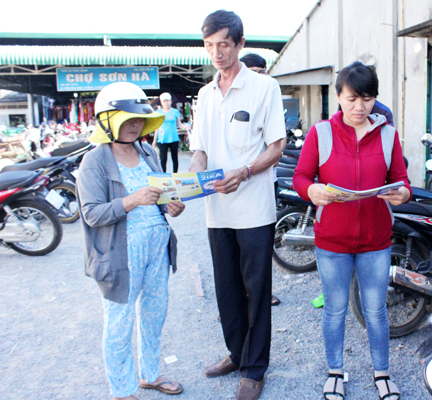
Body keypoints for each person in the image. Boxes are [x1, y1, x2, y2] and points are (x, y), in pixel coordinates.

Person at [293, 61, 412, 400]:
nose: (359, 107)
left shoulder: (388, 135)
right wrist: (312, 191)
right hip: (332, 240)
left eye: (367, 98)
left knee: (375, 310)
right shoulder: (321, 133)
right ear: (338, 97)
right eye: (351, 99)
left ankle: (382, 373)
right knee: (335, 309)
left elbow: (401, 181)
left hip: (376, 240)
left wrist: (402, 192)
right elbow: (301, 178)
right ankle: (334, 371)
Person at [188, 10, 285, 400]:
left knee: (256, 288)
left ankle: (255, 368)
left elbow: (276, 147)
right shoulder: (204, 94)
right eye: (210, 45)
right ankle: (235, 353)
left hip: (254, 208)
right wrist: (193, 178)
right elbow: (200, 149)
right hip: (217, 210)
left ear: (241, 44)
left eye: (224, 44)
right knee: (226, 287)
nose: (217, 53)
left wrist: (243, 172)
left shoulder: (265, 88)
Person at [77, 82, 186, 400]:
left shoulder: (147, 151)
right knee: (119, 323)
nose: (135, 124)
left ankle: (150, 375)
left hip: (157, 247)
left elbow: (160, 193)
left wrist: (171, 205)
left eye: (139, 118)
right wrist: (132, 200)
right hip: (120, 254)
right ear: (107, 119)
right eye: (127, 118)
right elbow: (92, 214)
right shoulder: (94, 162)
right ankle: (121, 390)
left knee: (154, 313)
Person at [240, 52, 284, 308]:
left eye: (262, 71)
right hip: (234, 188)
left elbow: (278, 148)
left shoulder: (270, 96)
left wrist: (252, 166)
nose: (259, 76)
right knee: (235, 249)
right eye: (253, 72)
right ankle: (237, 299)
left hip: (266, 183)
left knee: (261, 246)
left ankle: (263, 293)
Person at [152, 92, 189, 173]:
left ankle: (175, 175)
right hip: (162, 139)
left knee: (175, 158)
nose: (166, 103)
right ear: (161, 102)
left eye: (168, 101)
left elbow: (179, 124)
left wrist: (187, 127)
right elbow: (157, 127)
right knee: (163, 159)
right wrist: (154, 141)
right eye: (164, 101)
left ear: (171, 101)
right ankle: (163, 176)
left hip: (174, 138)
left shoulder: (175, 112)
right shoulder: (158, 113)